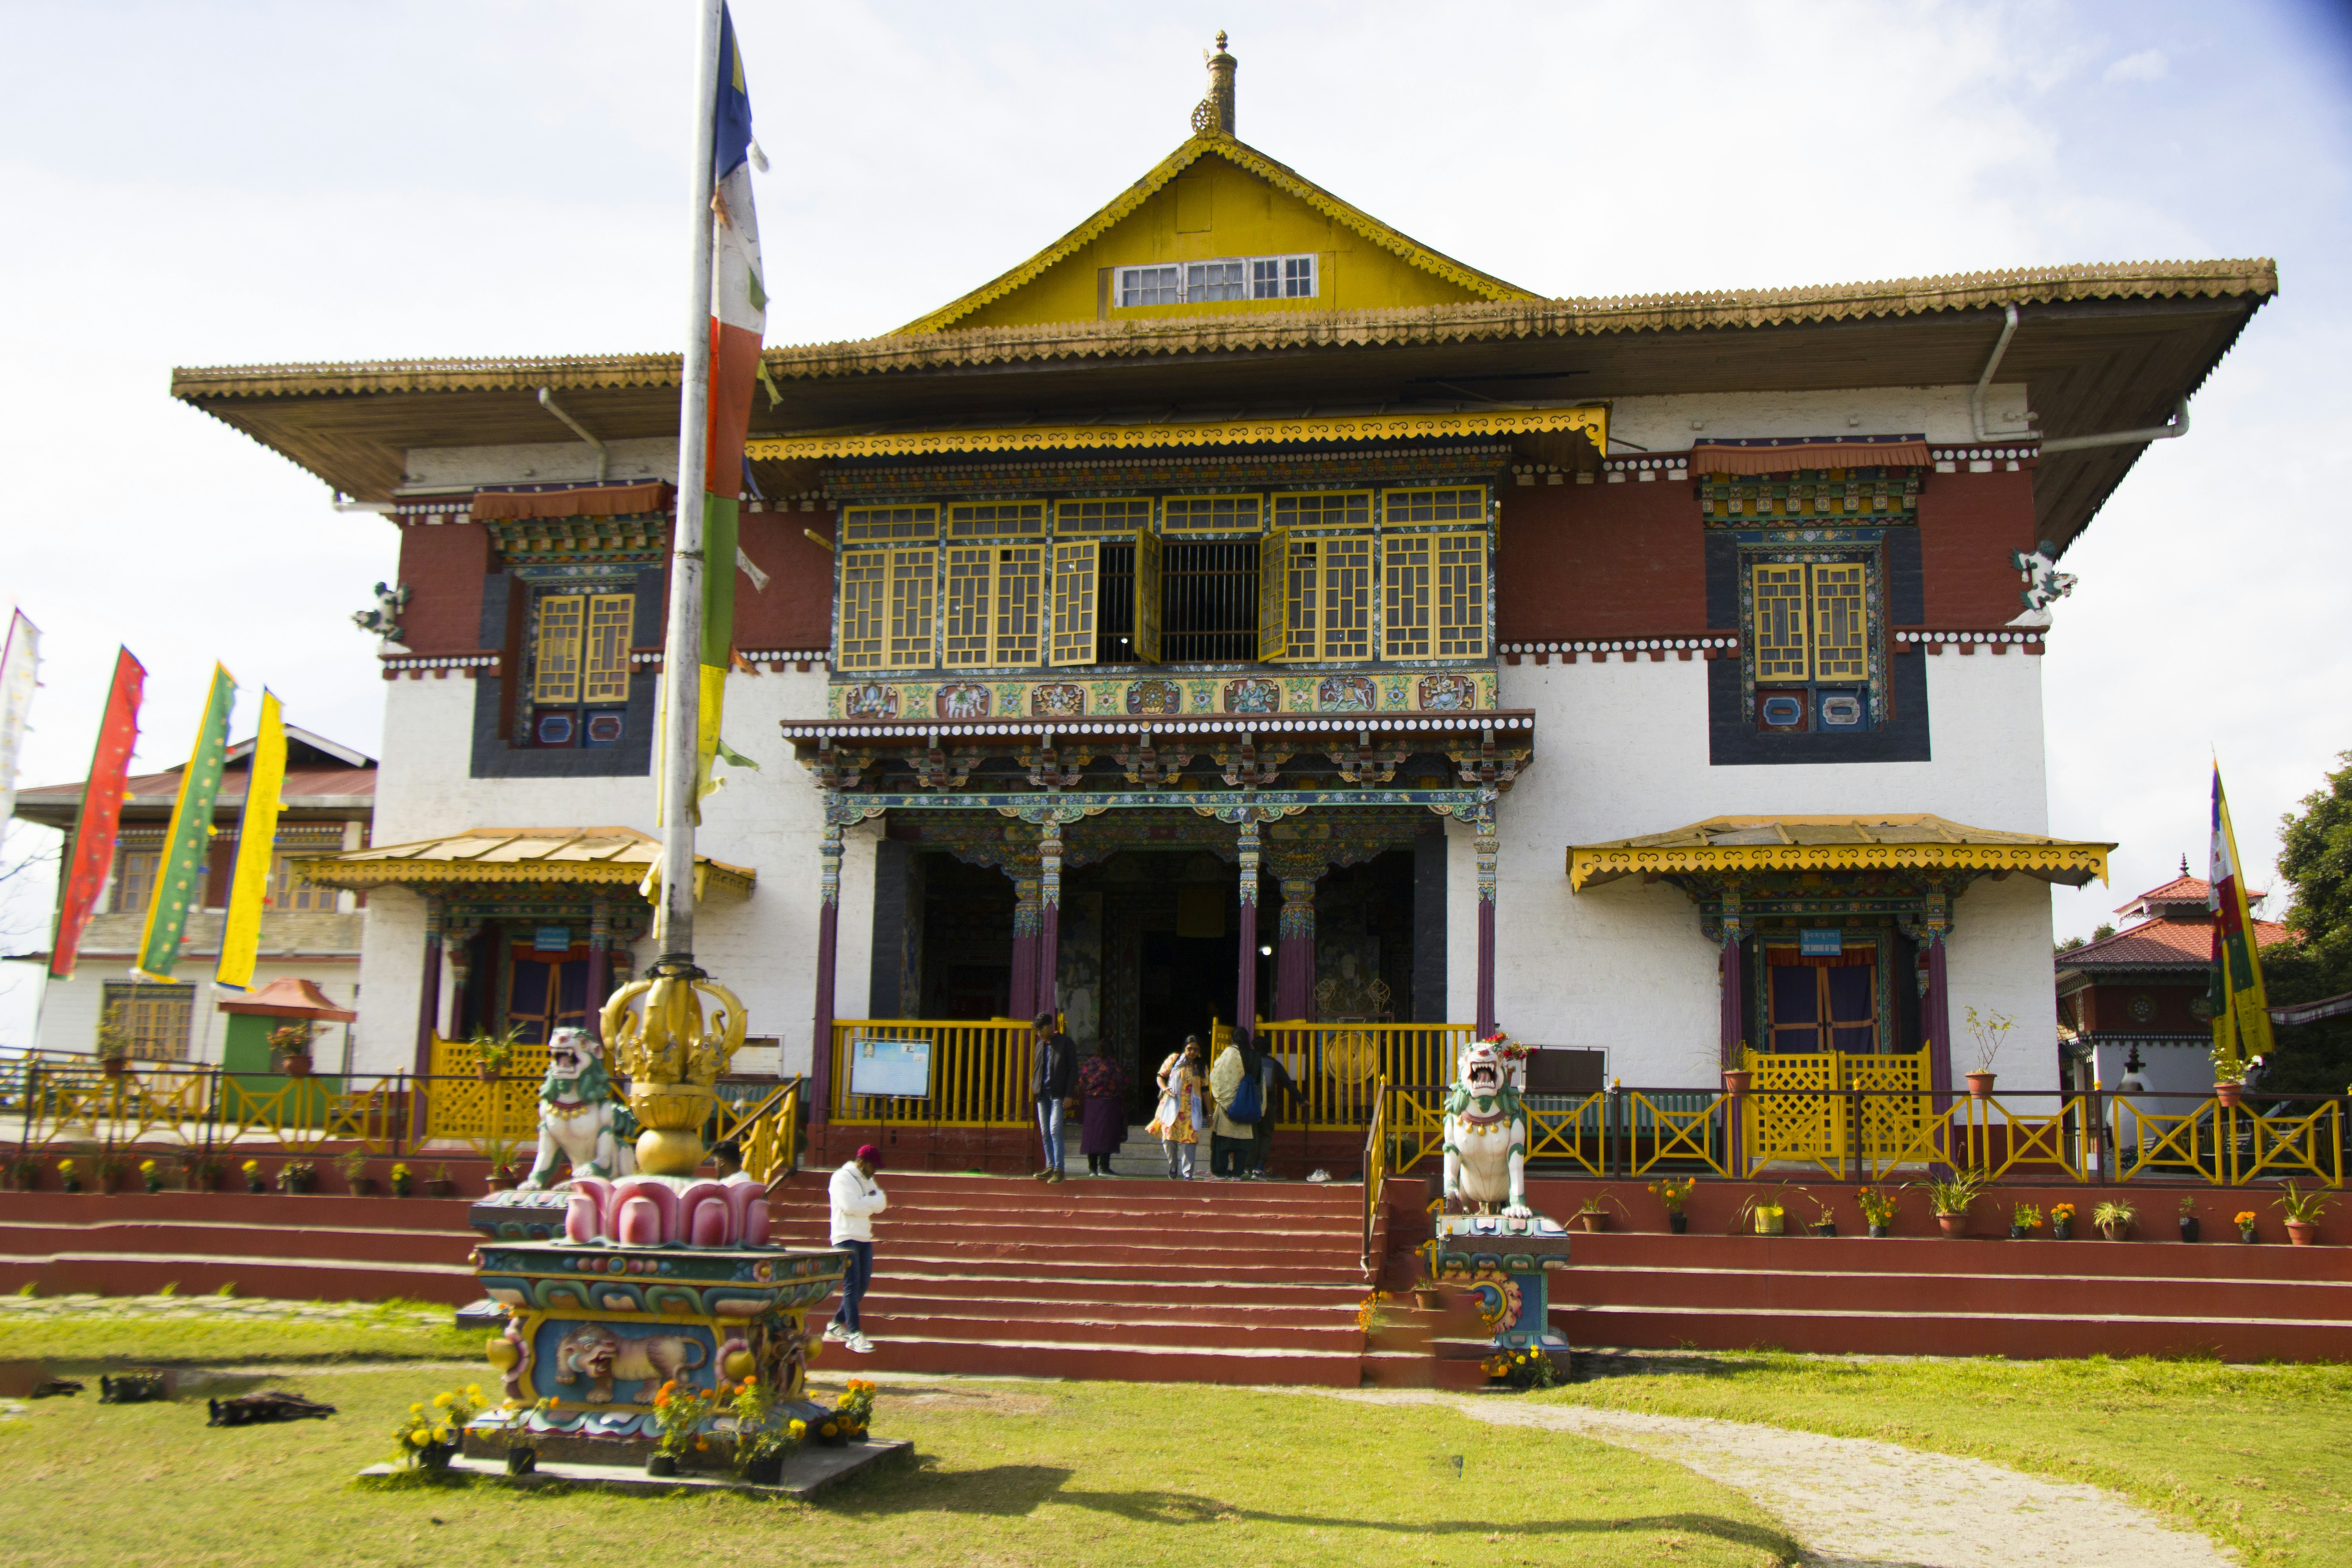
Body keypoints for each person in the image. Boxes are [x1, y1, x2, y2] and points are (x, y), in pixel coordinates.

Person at [825, 1143, 886, 1354]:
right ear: (861, 1163)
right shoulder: (841, 1178)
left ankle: (835, 1325)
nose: (875, 1171)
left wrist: (863, 1203)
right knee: (851, 1286)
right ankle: (854, 1334)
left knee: (862, 1287)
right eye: (872, 1166)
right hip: (845, 1237)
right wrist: (869, 1203)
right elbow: (849, 1207)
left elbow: (882, 1203)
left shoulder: (868, 1180)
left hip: (864, 1237)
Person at [1147, 1035, 1209, 1179]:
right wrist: (1165, 1089)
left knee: (1190, 1141)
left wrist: (1210, 1114)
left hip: (1192, 1110)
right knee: (1169, 1139)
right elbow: (1160, 1077)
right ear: (1184, 1049)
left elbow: (1205, 1090)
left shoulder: (1201, 1067)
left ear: (1200, 1051)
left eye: (1196, 1050)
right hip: (1172, 1106)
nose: (1192, 1052)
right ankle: (1173, 1164)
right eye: (1190, 1049)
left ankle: (1188, 1174)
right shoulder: (1174, 1060)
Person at [1031, 1011, 1076, 1184]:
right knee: (1044, 1131)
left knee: (1055, 1129)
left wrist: (1069, 1094)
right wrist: (1034, 1087)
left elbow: (1073, 1070)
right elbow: (1037, 1069)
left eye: (1041, 1030)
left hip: (1058, 1094)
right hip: (1042, 1094)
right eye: (1037, 1032)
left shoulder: (1066, 1043)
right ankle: (1050, 1166)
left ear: (1050, 1027)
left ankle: (1059, 1169)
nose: (1039, 1034)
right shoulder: (1039, 1046)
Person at [1208, 1028, 1259, 1180]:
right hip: (1248, 1105)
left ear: (1232, 1039)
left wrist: (1226, 1102)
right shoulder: (1255, 1056)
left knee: (1222, 1142)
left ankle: (1220, 1172)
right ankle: (1238, 1173)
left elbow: (1216, 1077)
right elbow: (1260, 1082)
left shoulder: (1229, 1053)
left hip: (1229, 1106)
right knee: (1243, 1144)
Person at [1076, 1040, 1128, 1176]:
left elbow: (1082, 1080)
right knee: (1106, 1135)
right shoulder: (1112, 1065)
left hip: (1091, 1104)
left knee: (1092, 1135)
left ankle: (1092, 1169)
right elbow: (1123, 1082)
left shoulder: (1090, 1064)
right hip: (1108, 1105)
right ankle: (1104, 1168)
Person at [1248, 1042, 1297, 1180]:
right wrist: (1301, 1100)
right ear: (1268, 1050)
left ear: (1253, 1048)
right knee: (1266, 1135)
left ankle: (1248, 1168)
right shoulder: (1274, 1064)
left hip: (1251, 1105)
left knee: (1251, 1135)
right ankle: (1259, 1167)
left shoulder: (1248, 1063)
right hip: (1269, 1104)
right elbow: (1288, 1084)